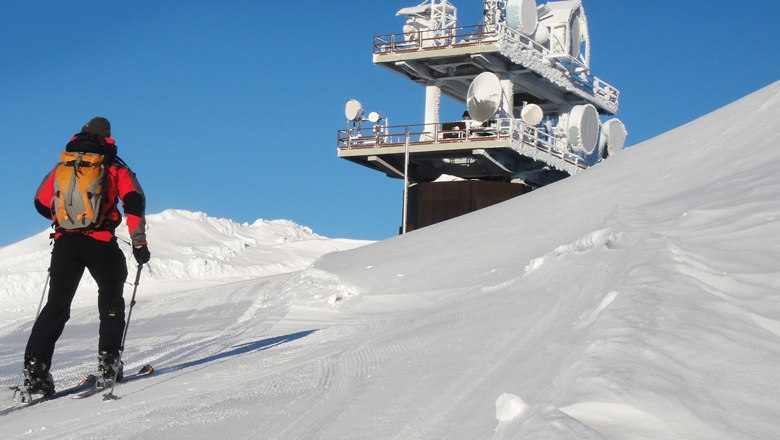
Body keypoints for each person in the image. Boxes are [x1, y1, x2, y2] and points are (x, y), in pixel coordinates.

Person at [22, 117, 150, 396]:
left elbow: (41, 202)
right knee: (111, 299)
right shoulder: (114, 166)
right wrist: (139, 244)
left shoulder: (63, 166)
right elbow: (134, 203)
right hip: (101, 242)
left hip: (66, 243)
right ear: (108, 138)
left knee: (56, 307)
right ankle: (109, 363)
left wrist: (69, 216)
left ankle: (35, 369)